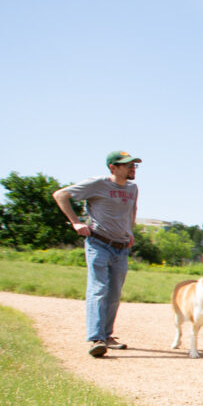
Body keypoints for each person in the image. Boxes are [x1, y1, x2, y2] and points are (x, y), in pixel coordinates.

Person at [53, 150, 141, 357]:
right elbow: (60, 195)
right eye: (127, 165)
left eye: (134, 165)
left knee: (114, 293)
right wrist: (75, 222)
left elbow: (133, 210)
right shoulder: (98, 183)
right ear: (113, 167)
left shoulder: (133, 188)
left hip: (121, 247)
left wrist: (130, 231)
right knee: (99, 289)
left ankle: (107, 335)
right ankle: (96, 338)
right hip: (98, 243)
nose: (132, 168)